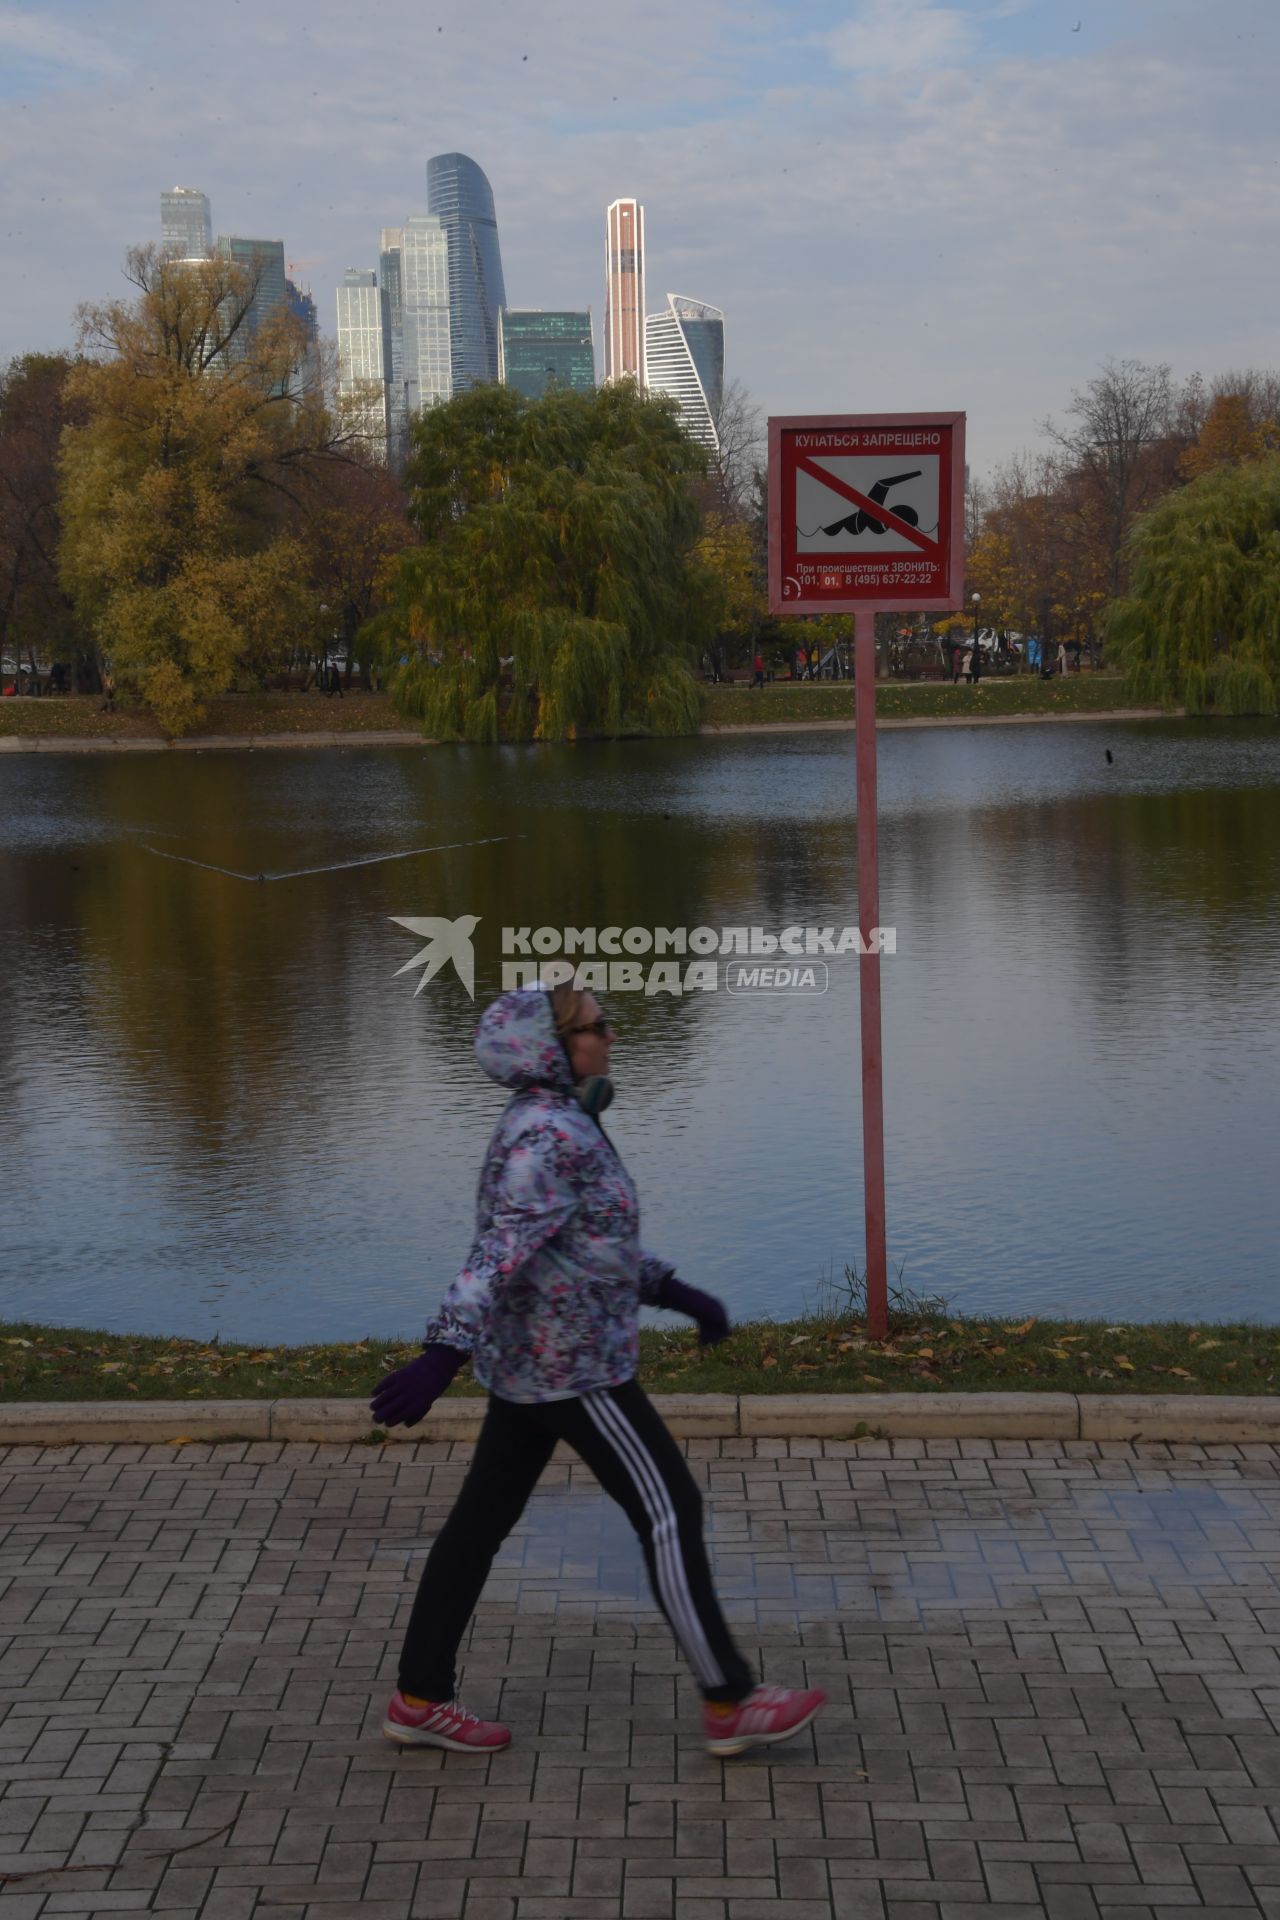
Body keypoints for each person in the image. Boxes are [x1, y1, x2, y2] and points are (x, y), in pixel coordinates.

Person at [371, 984, 826, 1759]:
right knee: (670, 1510)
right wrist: (443, 1351)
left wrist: (675, 1291)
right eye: (596, 1027)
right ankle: (731, 1700)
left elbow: (591, 1244)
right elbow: (499, 1252)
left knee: (477, 1527)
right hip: (574, 1369)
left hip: (536, 1365)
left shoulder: (557, 1121)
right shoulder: (549, 1137)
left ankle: (420, 1698)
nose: (611, 1037)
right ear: (554, 1047)